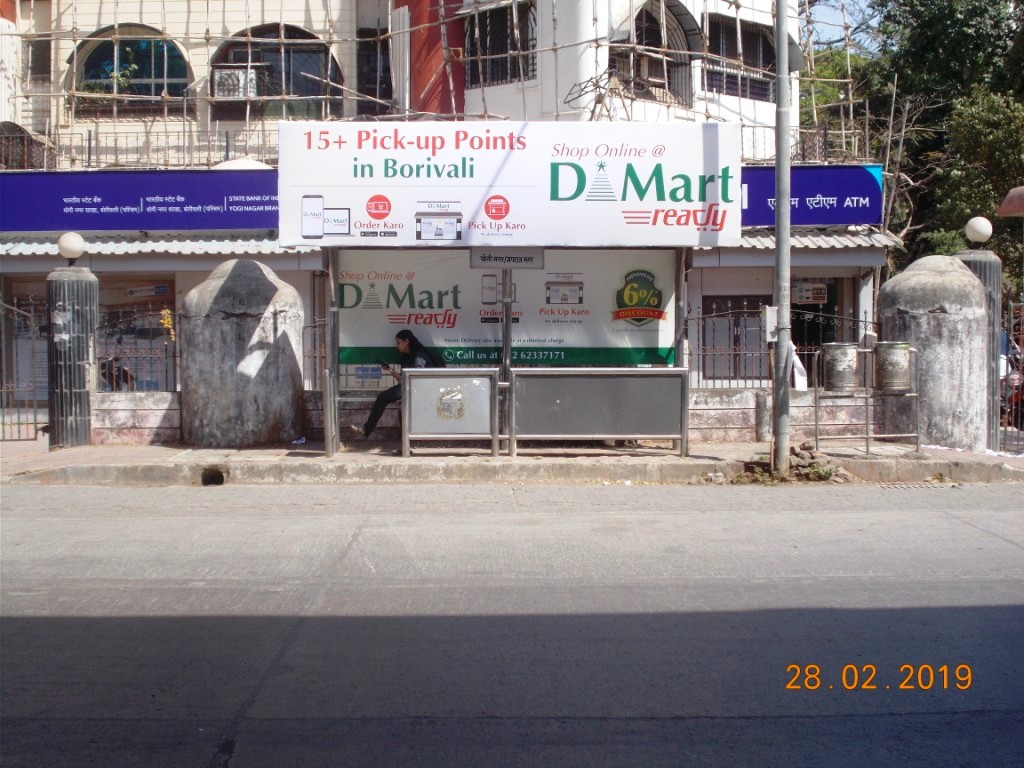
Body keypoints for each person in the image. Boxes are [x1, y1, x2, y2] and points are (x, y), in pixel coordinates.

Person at [350, 329, 439, 439]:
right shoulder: (406, 357)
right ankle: (369, 431)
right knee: (385, 399)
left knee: (390, 402)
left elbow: (416, 377)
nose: (397, 346)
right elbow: (403, 380)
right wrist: (390, 370)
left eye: (398, 343)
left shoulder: (419, 356)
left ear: (406, 341)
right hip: (410, 388)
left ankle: (369, 431)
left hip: (423, 390)